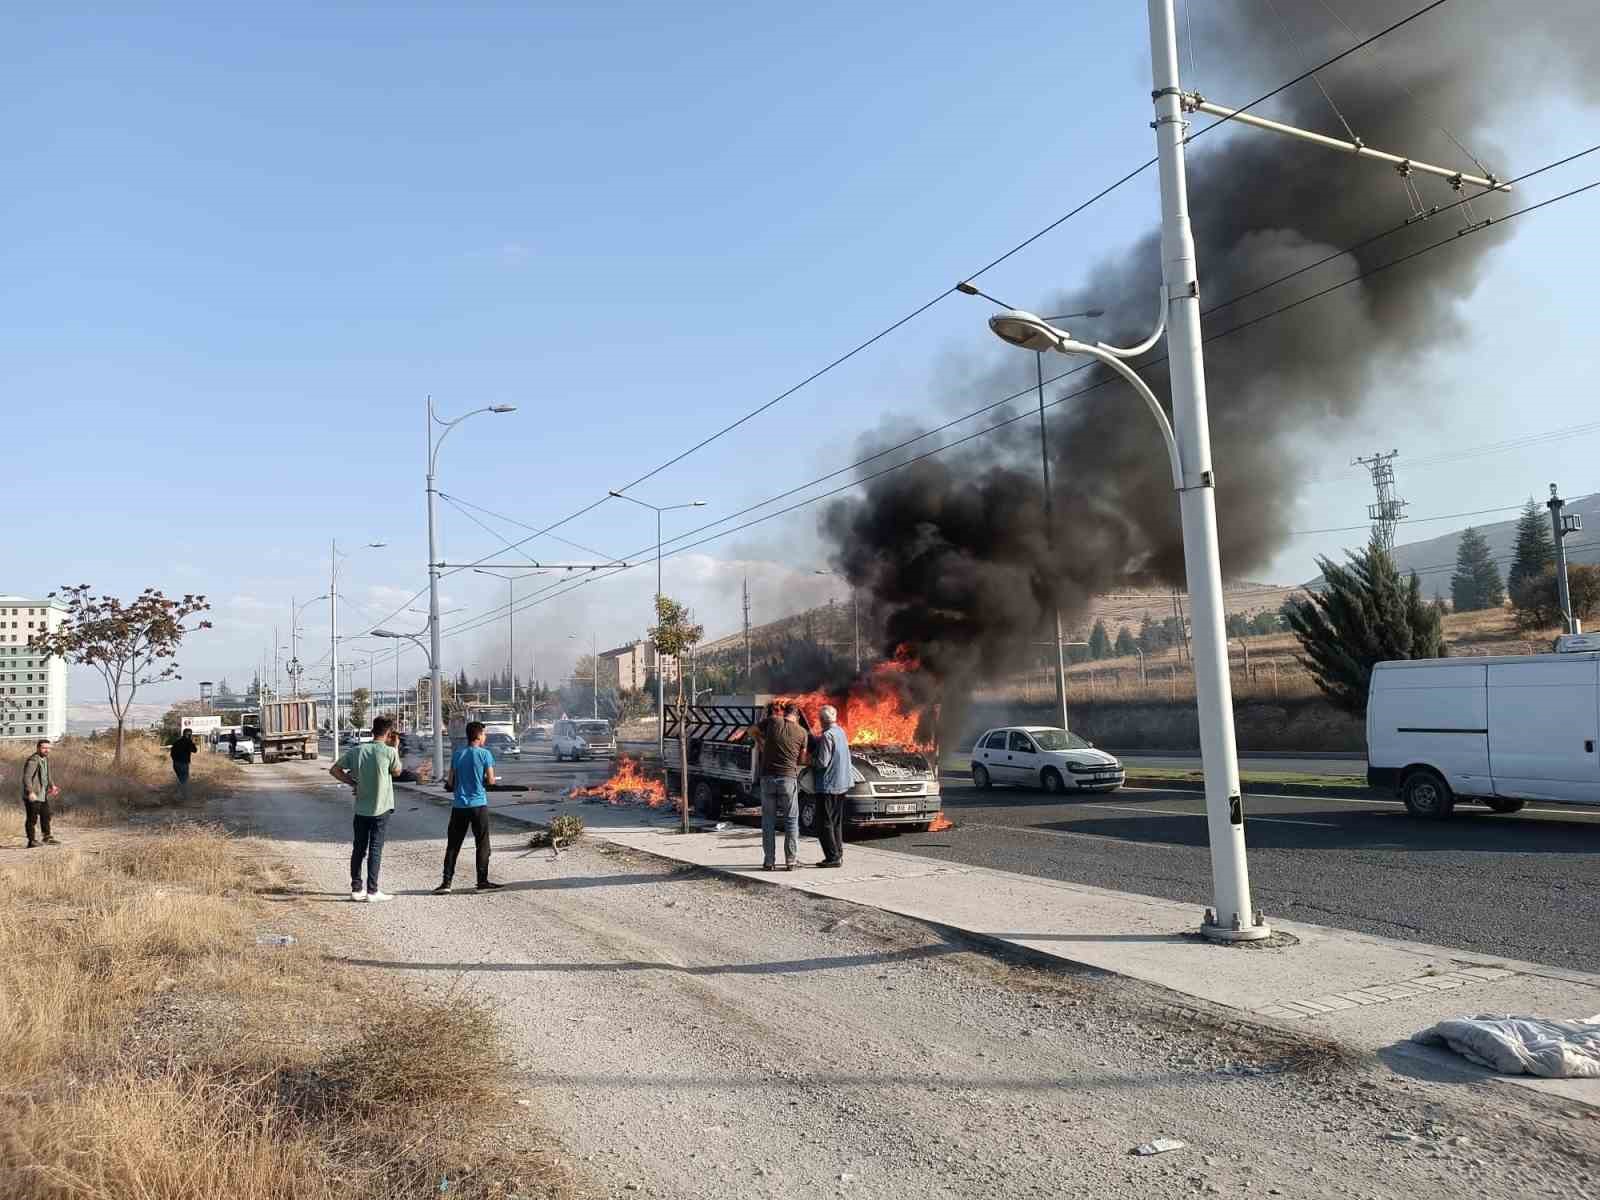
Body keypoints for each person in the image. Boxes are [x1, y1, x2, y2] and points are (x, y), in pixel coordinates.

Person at [329, 716, 402, 902]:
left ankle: (356, 888)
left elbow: (335, 770)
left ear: (372, 731)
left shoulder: (357, 751)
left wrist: (352, 782)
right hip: (382, 808)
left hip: (361, 808)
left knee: (359, 848)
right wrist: (396, 748)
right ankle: (372, 891)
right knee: (375, 849)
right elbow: (397, 772)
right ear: (388, 733)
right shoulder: (389, 752)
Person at [435, 720, 502, 894]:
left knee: (453, 845)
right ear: (479, 735)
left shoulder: (458, 754)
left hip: (459, 806)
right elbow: (491, 780)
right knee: (482, 844)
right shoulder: (485, 754)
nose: (485, 737)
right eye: (484, 734)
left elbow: (450, 782)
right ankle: (482, 882)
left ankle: (446, 883)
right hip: (478, 805)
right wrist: (488, 781)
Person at [754, 700, 808, 871]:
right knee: (791, 821)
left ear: (785, 713)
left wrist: (762, 744)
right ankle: (790, 861)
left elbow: (751, 730)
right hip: (788, 779)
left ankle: (769, 861)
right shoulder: (802, 732)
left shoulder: (773, 721)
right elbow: (802, 759)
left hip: (767, 779)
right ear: (797, 715)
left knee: (768, 821)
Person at [810, 704, 851, 868]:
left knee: (824, 823)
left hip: (828, 786)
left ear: (822, 720)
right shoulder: (841, 732)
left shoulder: (827, 736)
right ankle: (838, 854)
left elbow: (822, 762)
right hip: (842, 784)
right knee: (836, 822)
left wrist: (810, 761)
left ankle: (832, 857)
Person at [21, 738, 60, 848]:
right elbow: (27, 778)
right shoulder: (33, 760)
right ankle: (31, 841)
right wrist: (30, 792)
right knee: (32, 818)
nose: (47, 750)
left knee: (46, 815)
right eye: (44, 748)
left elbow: (48, 775)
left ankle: (47, 837)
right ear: (38, 748)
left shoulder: (45, 759)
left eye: (49, 748)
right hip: (33, 795)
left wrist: (52, 785)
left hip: (42, 795)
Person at [170, 729, 197, 801]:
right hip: (184, 764)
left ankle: (177, 795)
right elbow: (195, 750)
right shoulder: (189, 742)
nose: (190, 736)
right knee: (184, 781)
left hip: (176, 764)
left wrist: (175, 760)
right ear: (189, 735)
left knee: (180, 780)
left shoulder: (177, 742)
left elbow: (172, 754)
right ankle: (182, 797)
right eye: (190, 734)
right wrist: (191, 741)